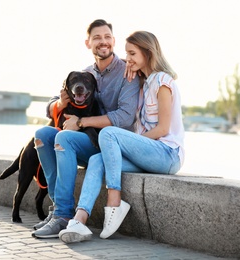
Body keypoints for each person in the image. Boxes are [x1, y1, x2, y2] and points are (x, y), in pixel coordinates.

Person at [58, 31, 185, 243]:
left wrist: (128, 143)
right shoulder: (142, 83)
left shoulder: (162, 81)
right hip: (147, 153)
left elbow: (163, 129)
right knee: (96, 160)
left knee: (109, 133)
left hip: (167, 154)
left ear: (148, 53)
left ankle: (114, 200)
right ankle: (79, 220)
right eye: (126, 53)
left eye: (132, 53)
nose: (127, 58)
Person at [31, 19, 140, 238]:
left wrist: (81, 123)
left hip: (109, 146)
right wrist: (60, 104)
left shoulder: (127, 73)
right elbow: (50, 106)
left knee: (66, 138)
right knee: (42, 135)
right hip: (85, 143)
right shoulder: (84, 74)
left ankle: (63, 216)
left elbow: (126, 117)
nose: (103, 42)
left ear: (114, 41)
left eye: (107, 37)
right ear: (88, 43)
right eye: (97, 37)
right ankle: (57, 209)